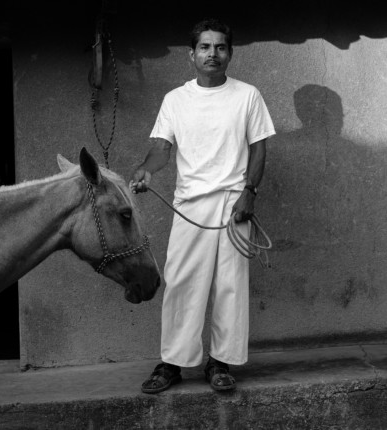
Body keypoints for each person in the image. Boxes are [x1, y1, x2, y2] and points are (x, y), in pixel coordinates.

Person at [130, 18, 275, 393]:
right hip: (190, 205)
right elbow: (162, 148)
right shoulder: (176, 100)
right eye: (205, 47)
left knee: (229, 285)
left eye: (220, 47)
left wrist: (250, 191)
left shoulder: (247, 96)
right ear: (191, 54)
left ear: (230, 53)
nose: (213, 53)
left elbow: (259, 148)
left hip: (233, 204)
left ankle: (220, 362)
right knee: (181, 282)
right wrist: (146, 170)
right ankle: (173, 362)